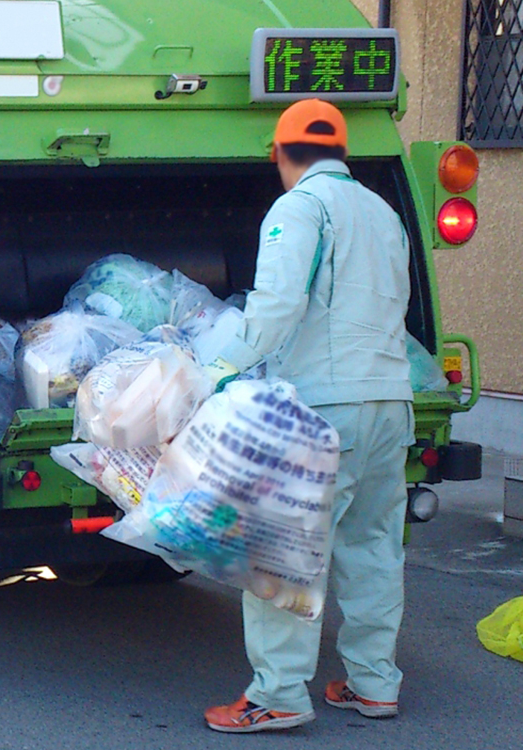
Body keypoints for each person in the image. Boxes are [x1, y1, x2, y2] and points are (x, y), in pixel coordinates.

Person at [203, 98, 415, 733]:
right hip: (390, 402)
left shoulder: (299, 208)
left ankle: (280, 696)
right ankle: (374, 683)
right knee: (374, 546)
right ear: (342, 153)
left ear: (279, 154)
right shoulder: (384, 213)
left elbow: (275, 305)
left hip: (327, 408)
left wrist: (221, 370)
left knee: (283, 556)